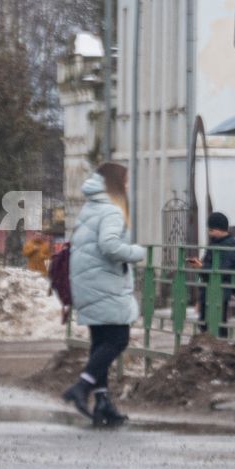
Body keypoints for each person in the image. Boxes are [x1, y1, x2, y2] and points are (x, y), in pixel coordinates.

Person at [61, 163, 145, 428]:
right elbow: (109, 246)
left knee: (100, 344)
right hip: (105, 285)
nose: (128, 186)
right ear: (116, 184)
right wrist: (136, 252)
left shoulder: (91, 207)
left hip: (88, 283)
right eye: (126, 181)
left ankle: (103, 402)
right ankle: (82, 386)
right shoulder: (111, 211)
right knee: (118, 339)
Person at [192, 211, 235, 336]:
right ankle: (216, 349)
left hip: (220, 291)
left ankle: (220, 349)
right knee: (206, 323)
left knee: (216, 323)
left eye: (211, 229)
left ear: (218, 229)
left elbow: (221, 270)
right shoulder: (218, 243)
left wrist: (201, 267)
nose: (209, 232)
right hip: (212, 289)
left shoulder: (228, 246)